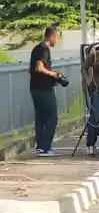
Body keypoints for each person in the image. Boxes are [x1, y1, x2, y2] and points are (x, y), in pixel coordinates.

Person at [29, 25, 64, 157]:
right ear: (52, 36)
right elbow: (39, 68)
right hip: (43, 89)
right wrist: (54, 75)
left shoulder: (36, 48)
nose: (57, 41)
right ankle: (45, 148)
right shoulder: (44, 49)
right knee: (51, 118)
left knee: (41, 118)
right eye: (57, 38)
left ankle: (40, 146)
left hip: (35, 87)